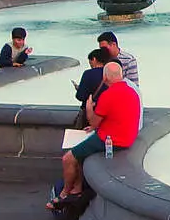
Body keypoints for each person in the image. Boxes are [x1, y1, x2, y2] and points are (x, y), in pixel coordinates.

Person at [56, 60, 139, 202]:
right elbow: (116, 116)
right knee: (81, 154)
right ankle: (77, 188)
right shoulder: (132, 92)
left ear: (105, 77)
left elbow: (94, 120)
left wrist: (89, 108)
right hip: (128, 138)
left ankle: (64, 192)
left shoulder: (108, 95)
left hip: (111, 140)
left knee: (68, 158)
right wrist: (94, 127)